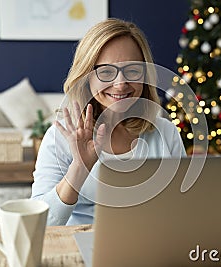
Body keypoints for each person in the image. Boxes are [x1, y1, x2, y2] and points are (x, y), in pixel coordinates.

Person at [31, 18, 186, 226]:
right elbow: (40, 224)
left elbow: (185, 206)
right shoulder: (60, 136)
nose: (121, 84)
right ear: (86, 76)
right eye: (105, 72)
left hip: (151, 246)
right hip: (81, 247)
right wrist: (79, 168)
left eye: (132, 70)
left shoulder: (165, 131)